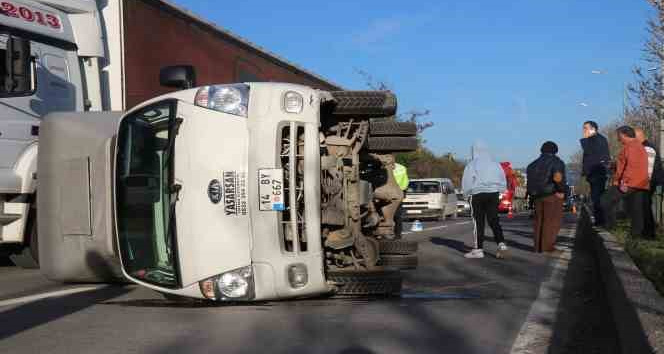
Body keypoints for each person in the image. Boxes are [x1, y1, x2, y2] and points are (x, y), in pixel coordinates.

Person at [461, 141, 508, 259]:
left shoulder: (472, 164)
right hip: (493, 194)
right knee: (494, 220)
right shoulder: (495, 164)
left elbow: (467, 181)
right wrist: (501, 190)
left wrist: (466, 194)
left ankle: (478, 250)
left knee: (478, 222)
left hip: (477, 194)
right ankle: (501, 244)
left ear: (474, 151)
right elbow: (502, 179)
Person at [526, 141, 568, 253]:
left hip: (536, 196)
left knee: (539, 221)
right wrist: (562, 190)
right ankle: (547, 247)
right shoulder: (557, 162)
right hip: (552, 195)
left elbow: (529, 182)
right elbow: (558, 178)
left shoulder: (532, 164)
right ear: (555, 150)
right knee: (552, 221)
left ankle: (537, 247)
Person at [612, 126, 650, 238]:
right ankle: (636, 234)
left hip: (631, 182)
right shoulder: (639, 147)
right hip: (641, 183)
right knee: (637, 209)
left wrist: (622, 181)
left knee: (606, 200)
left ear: (624, 135)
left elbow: (631, 166)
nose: (618, 139)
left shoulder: (631, 147)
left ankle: (609, 226)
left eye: (619, 136)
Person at [580, 121, 611, 226]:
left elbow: (590, 152)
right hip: (594, 173)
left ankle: (601, 221)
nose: (583, 130)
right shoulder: (595, 140)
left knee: (597, 197)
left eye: (585, 128)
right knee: (595, 197)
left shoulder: (598, 140)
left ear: (593, 129)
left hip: (597, 173)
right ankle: (600, 220)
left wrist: (586, 138)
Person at [392, 162, 409, 239]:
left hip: (385, 192)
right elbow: (405, 183)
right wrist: (402, 193)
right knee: (397, 215)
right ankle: (397, 234)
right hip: (398, 193)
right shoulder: (402, 167)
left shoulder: (380, 166)